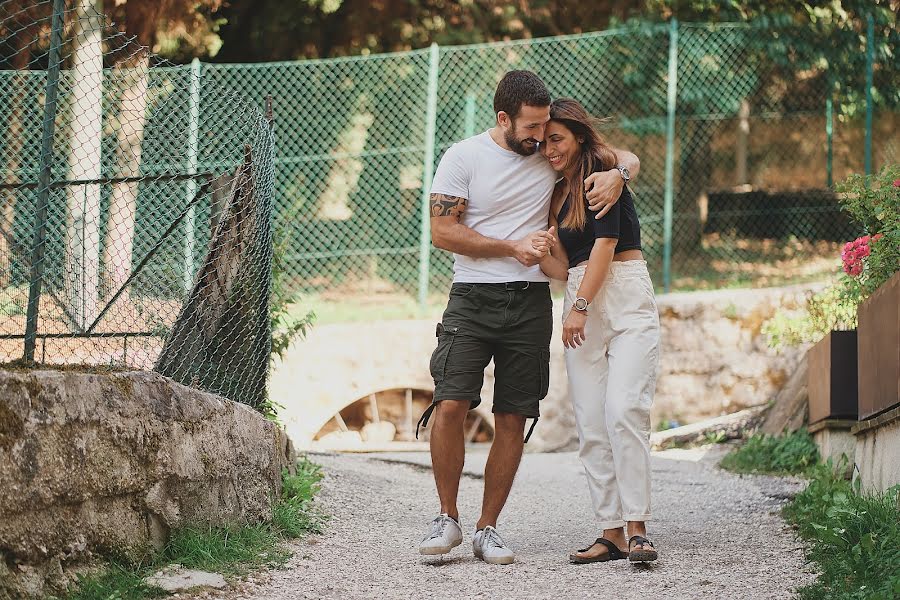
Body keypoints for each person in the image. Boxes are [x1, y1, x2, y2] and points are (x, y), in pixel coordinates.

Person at [416, 71, 641, 565]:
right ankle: (447, 518)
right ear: (504, 118)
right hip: (472, 296)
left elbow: (616, 155)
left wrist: (619, 172)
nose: (541, 138)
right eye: (532, 127)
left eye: (545, 128)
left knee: (514, 414)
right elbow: (442, 231)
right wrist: (510, 246)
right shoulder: (463, 157)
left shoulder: (547, 155)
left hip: (532, 300)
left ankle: (487, 528)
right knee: (451, 403)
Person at [538, 97, 660, 564]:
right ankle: (610, 532)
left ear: (579, 137)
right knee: (590, 421)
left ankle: (638, 528)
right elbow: (561, 267)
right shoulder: (556, 193)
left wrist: (580, 308)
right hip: (577, 294)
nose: (549, 149)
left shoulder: (603, 177)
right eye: (544, 141)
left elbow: (606, 245)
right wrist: (540, 249)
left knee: (625, 408)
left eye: (557, 139)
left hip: (621, 295)